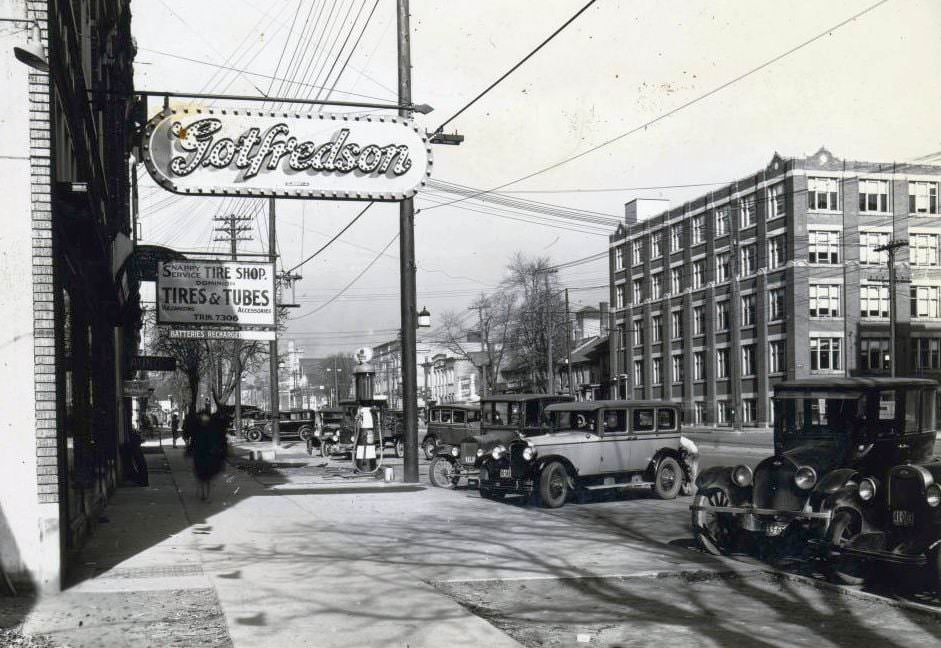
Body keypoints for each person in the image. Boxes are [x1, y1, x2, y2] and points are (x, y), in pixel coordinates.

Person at [192, 410, 228, 501]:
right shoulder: (210, 430)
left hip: (202, 456)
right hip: (204, 455)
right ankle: (205, 494)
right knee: (205, 477)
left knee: (203, 477)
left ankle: (204, 493)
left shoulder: (200, 431)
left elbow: (195, 443)